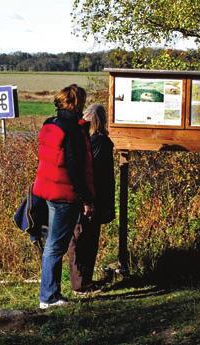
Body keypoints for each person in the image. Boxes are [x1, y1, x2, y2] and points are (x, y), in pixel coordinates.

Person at [32, 84, 95, 309]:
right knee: (55, 246)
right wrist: (87, 199)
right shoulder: (73, 131)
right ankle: (48, 297)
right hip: (64, 195)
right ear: (77, 103)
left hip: (46, 190)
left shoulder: (50, 124)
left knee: (52, 243)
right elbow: (75, 169)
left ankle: (51, 293)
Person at [68, 104, 115, 294]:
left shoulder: (86, 141)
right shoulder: (100, 142)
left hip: (87, 197)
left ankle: (83, 282)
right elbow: (96, 174)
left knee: (82, 239)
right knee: (84, 240)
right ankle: (80, 283)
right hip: (93, 199)